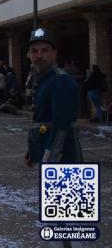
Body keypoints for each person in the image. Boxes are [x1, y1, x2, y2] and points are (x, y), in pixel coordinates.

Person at [24, 28, 82, 167]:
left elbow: (61, 127)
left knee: (70, 190)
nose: (39, 56)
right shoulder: (43, 79)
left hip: (64, 159)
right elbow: (41, 118)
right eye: (34, 51)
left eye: (44, 50)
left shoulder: (60, 80)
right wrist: (32, 150)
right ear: (29, 55)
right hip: (48, 154)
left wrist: (50, 161)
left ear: (54, 53)